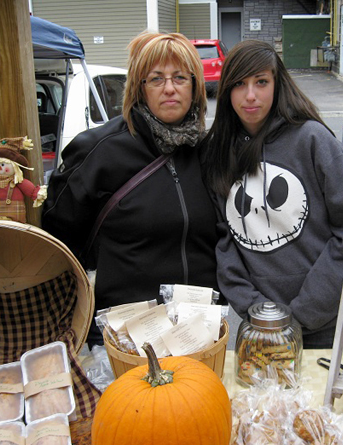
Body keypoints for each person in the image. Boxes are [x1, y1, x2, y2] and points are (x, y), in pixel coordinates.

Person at [42, 31, 219, 346]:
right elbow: (59, 238)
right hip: (129, 335)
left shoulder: (208, 151)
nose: (169, 88)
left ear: (195, 88)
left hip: (199, 330)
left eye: (180, 77)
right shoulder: (99, 151)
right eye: (156, 79)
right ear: (140, 88)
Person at [202, 40, 343, 349]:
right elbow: (224, 244)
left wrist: (300, 316)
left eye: (261, 82)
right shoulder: (217, 155)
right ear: (226, 92)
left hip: (329, 328)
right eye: (239, 84)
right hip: (261, 330)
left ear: (277, 85)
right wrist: (260, 313)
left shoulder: (313, 140)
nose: (250, 95)